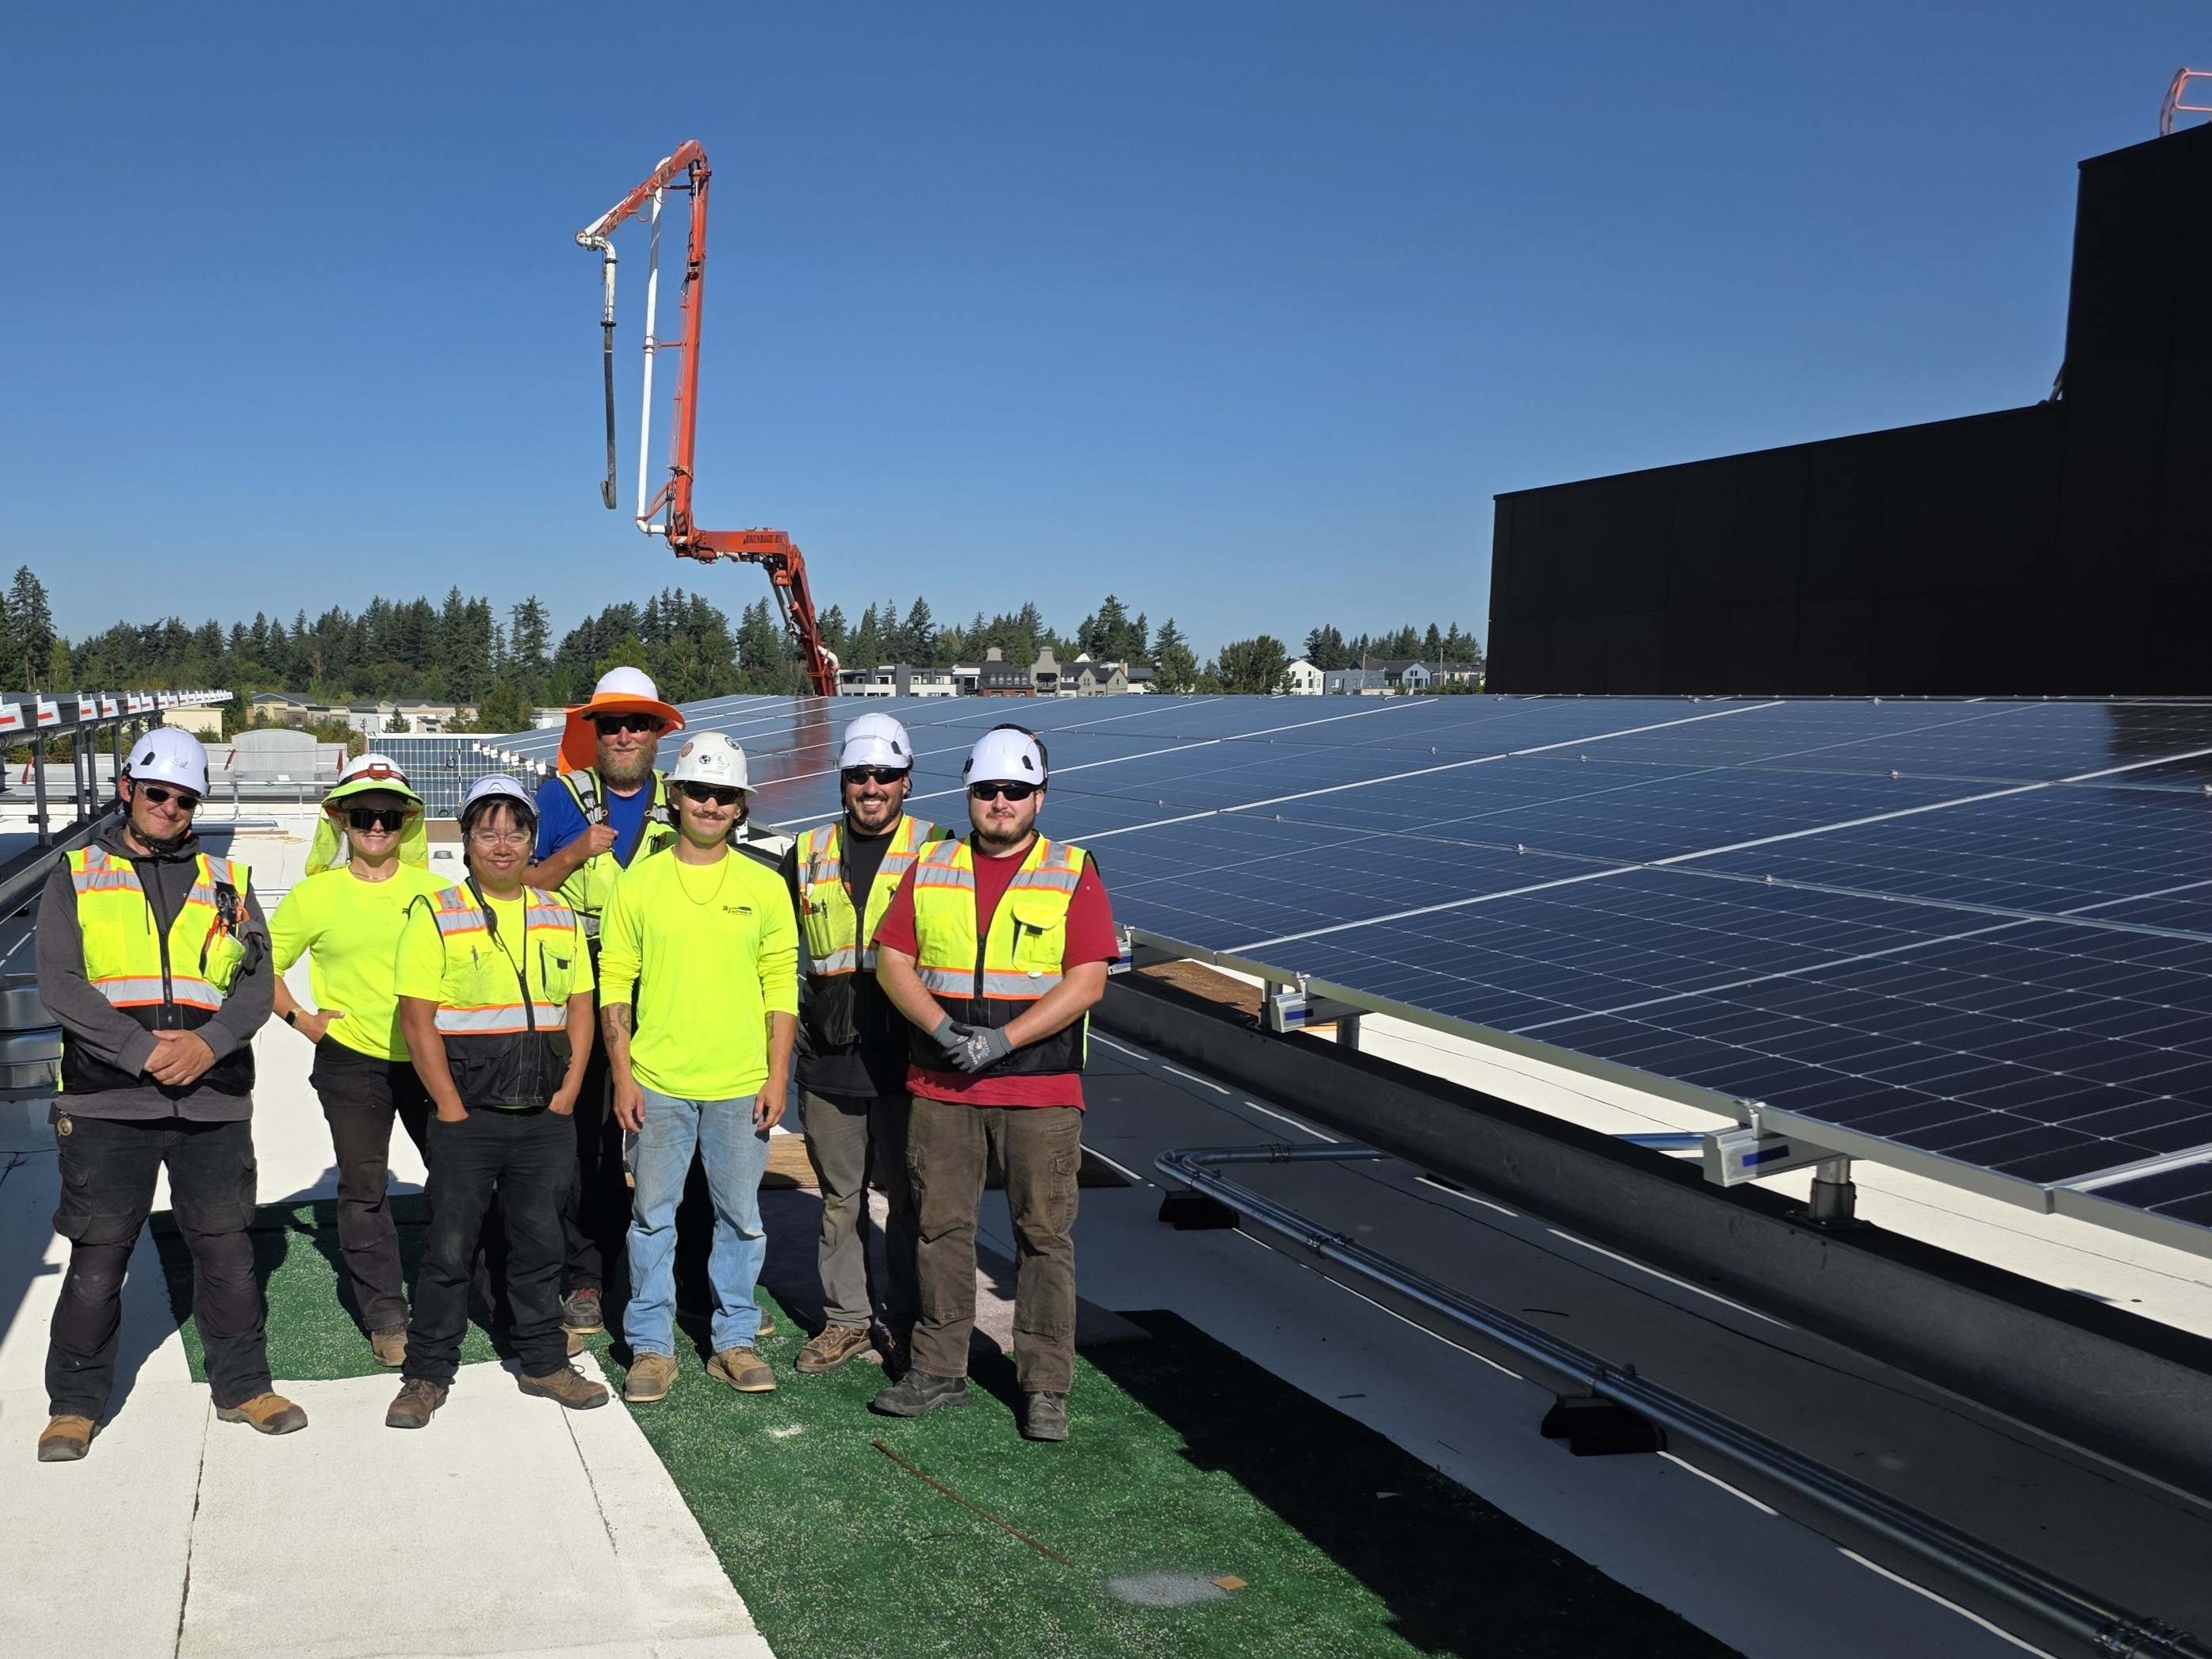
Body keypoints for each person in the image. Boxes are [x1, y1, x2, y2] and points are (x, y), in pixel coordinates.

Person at [36, 725, 303, 1462]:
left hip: (211, 1099)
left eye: (185, 797)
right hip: (107, 1101)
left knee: (225, 1251)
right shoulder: (78, 873)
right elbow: (57, 982)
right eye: (157, 792)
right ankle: (74, 1404)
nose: (170, 806)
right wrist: (140, 1051)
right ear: (128, 789)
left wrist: (207, 1046)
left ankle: (245, 1386)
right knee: (99, 1256)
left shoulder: (230, 882)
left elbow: (253, 990)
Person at [869, 725, 1116, 1443]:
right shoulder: (932, 865)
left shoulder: (1073, 869)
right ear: (969, 795)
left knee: (1043, 1237)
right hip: (942, 1088)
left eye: (1014, 790)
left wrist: (1005, 1039)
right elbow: (894, 961)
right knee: (939, 1229)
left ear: (1039, 796)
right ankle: (939, 1368)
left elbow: (1088, 979)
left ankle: (1044, 1384)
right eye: (986, 790)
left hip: (1040, 1091)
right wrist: (948, 1035)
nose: (1000, 802)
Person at [385, 775, 604, 1429]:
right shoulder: (437, 913)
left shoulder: (558, 913)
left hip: (544, 1118)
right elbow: (417, 1019)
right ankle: (426, 1373)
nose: (502, 844)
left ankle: (542, 1360)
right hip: (469, 1119)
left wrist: (568, 1093)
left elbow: (581, 1009)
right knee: (449, 1250)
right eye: (488, 831)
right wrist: (449, 1107)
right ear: (467, 840)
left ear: (533, 841)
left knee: (540, 1245)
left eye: (516, 831)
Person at [598, 733, 798, 1403]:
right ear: (676, 795)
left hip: (741, 1085)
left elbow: (781, 985)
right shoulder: (640, 882)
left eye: (725, 795)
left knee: (740, 1219)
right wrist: (623, 1076)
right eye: (700, 791)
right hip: (659, 1082)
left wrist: (776, 1077)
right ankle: (651, 1348)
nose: (711, 804)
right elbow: (617, 982)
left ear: (740, 806)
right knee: (653, 1218)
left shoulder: (766, 887)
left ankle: (733, 1338)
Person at [522, 666, 684, 1344]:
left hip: (663, 986)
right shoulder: (559, 798)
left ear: (657, 734)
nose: (623, 734)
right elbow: (523, 882)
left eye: (637, 723)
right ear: (593, 731)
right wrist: (573, 852)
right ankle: (587, 1276)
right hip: (580, 991)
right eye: (611, 723)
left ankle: (684, 1282)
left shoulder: (688, 799)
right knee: (584, 1142)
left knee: (674, 1139)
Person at [268, 754, 446, 1368]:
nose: (376, 825)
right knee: (365, 1188)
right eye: (364, 814)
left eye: (389, 815)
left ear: (406, 821)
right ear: (342, 819)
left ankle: (471, 1292)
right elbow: (260, 967)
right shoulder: (314, 895)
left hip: (430, 1059)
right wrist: (303, 1021)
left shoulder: (439, 893)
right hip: (351, 1062)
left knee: (457, 1181)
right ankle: (387, 1316)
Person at [783, 713, 948, 1374]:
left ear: (907, 781)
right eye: (859, 775)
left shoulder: (940, 848)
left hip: (910, 1056)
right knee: (839, 1199)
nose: (871, 786)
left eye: (884, 774)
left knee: (910, 1199)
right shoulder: (806, 851)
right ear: (843, 781)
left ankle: (906, 1322)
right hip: (829, 1056)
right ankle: (848, 1319)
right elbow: (775, 950)